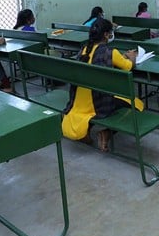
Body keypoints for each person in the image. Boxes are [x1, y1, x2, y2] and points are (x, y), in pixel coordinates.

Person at [61, 18, 142, 151]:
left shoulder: (84, 49)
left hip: (77, 99)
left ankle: (86, 131)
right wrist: (131, 56)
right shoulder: (110, 53)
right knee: (137, 104)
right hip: (98, 103)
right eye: (110, 32)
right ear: (106, 34)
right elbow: (128, 67)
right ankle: (106, 133)